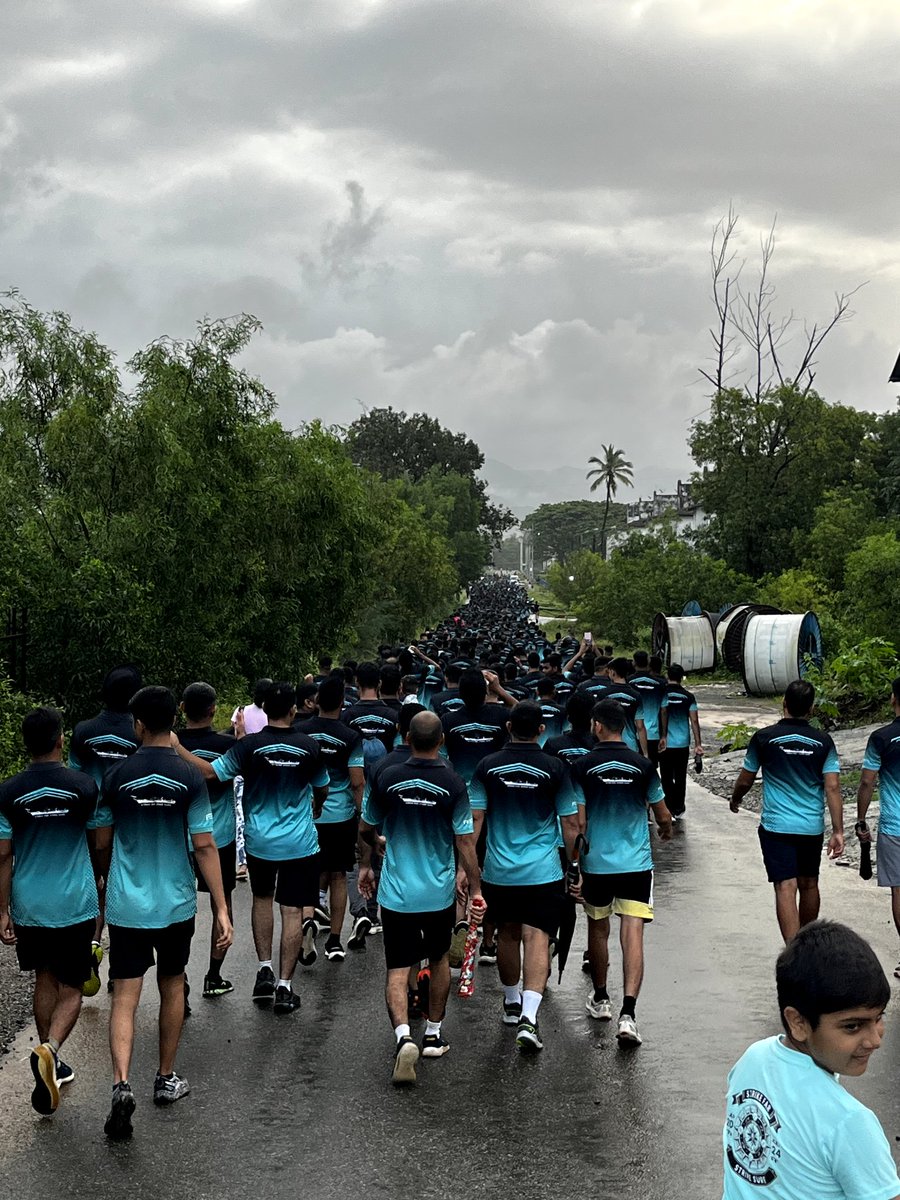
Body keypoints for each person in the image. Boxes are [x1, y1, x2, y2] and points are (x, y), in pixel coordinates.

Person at [92, 686, 233, 1140]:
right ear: (173, 721)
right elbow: (205, 845)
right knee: (173, 984)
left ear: (137, 724)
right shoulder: (189, 777)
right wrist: (223, 908)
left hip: (127, 904)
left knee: (125, 997)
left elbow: (101, 842)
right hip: (175, 902)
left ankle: (120, 1084)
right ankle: (165, 1078)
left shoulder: (114, 776)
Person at [178, 681, 329, 1014]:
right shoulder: (310, 746)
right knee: (291, 910)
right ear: (293, 710)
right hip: (299, 842)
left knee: (262, 899)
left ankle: (264, 969)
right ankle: (285, 988)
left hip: (260, 842)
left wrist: (176, 747)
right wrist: (315, 807)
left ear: (263, 709)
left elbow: (210, 774)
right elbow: (322, 788)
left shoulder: (248, 747)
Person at [722, 920, 900, 1199]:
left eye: (879, 1018)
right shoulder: (850, 1123)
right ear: (798, 1022)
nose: (875, 1040)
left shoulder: (752, 1060)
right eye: (852, 1026)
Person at [358, 711, 484, 1085]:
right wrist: (475, 887)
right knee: (440, 957)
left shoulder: (385, 775)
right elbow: (464, 841)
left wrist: (377, 844)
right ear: (441, 740)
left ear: (407, 739)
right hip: (438, 894)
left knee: (398, 969)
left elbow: (366, 827)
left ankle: (402, 1038)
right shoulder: (453, 782)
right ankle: (432, 1033)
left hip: (397, 894)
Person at [0, 707, 100, 1115]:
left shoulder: (6, 792)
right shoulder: (85, 787)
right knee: (73, 987)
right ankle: (50, 1049)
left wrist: (1, 910)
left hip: (29, 904)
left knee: (44, 976)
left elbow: (3, 856)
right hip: (73, 902)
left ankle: (51, 1062)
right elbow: (101, 841)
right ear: (61, 740)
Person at [470, 702, 581, 1053]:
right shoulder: (556, 768)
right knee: (538, 937)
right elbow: (572, 823)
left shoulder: (486, 767)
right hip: (543, 871)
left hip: (499, 871)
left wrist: (467, 867)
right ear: (542, 729)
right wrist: (574, 864)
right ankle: (530, 1018)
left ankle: (511, 1001)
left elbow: (474, 821)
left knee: (507, 933)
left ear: (507, 726)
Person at [570, 699, 672, 1047]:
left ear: (597, 725)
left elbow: (578, 822)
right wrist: (666, 829)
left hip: (597, 864)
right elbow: (662, 815)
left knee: (598, 930)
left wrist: (576, 866)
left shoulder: (582, 766)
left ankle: (601, 1000)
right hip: (636, 865)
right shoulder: (643, 766)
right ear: (624, 727)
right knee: (633, 934)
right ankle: (629, 1015)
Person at [730, 680, 843, 942]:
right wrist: (838, 830)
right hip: (810, 826)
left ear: (784, 704)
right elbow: (833, 787)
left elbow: (746, 779)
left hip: (776, 827)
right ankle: (807, 944)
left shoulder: (764, 738)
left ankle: (793, 951)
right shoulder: (824, 742)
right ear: (811, 708)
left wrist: (736, 799)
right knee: (809, 883)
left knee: (785, 885)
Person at [68, 664, 142, 991]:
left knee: (93, 888)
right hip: (124, 825)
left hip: (87, 822)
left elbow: (74, 776)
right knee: (118, 890)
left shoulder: (83, 731)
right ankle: (115, 971)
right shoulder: (138, 733)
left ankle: (91, 944)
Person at [178, 682, 237, 997]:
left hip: (180, 839)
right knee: (221, 905)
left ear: (182, 708)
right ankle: (213, 976)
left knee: (181, 908)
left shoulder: (170, 745)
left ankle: (179, 976)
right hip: (220, 839)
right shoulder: (226, 745)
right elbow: (215, 774)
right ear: (214, 709)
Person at [303, 675, 365, 960]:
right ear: (342, 702)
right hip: (340, 815)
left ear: (315, 702)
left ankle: (308, 920)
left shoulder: (301, 732)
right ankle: (336, 941)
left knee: (311, 872)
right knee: (339, 875)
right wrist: (363, 812)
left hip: (306, 814)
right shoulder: (351, 737)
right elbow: (356, 782)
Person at [855, 676, 900, 980]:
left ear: (894, 699)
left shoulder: (882, 738)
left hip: (895, 826)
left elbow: (867, 781)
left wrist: (861, 820)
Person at [659, 663, 703, 819]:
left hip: (665, 743)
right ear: (681, 678)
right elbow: (694, 721)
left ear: (667, 676)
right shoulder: (689, 696)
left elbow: (663, 712)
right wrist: (698, 744)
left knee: (666, 775)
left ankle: (669, 805)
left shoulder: (662, 694)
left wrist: (663, 735)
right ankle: (679, 807)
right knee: (680, 775)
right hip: (682, 742)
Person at [628, 650, 668, 765]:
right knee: (650, 767)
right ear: (648, 662)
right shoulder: (660, 684)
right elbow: (664, 710)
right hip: (653, 734)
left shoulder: (628, 682)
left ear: (634, 663)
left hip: (632, 734)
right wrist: (664, 735)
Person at [602, 658, 649, 757]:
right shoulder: (636, 695)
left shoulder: (603, 694)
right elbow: (640, 727)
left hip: (607, 747)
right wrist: (645, 753)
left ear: (613, 672)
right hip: (630, 747)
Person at [535, 677, 565, 746]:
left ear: (537, 691)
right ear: (554, 691)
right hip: (556, 749)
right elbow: (566, 729)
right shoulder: (563, 710)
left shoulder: (529, 709)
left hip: (535, 751)